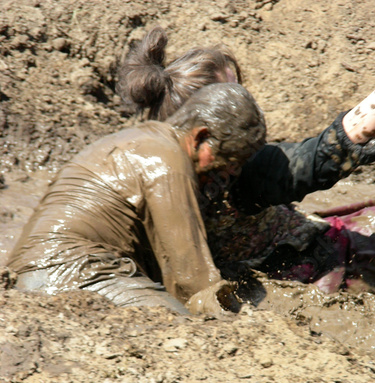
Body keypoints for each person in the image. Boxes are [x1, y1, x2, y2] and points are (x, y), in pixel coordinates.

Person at [115, 27, 375, 293]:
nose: (249, 105)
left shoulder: (159, 168)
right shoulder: (235, 174)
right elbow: (305, 164)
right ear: (207, 127)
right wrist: (361, 124)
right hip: (304, 262)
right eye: (235, 97)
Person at [7, 83, 266, 316]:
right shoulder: (168, 164)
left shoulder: (144, 138)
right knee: (181, 324)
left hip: (37, 271)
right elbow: (191, 279)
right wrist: (239, 320)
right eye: (227, 162)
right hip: (69, 271)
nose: (227, 175)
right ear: (200, 136)